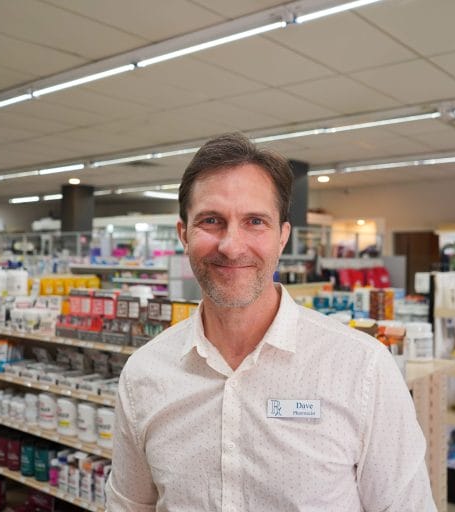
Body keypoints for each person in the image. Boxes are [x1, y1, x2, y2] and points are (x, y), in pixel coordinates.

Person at [106, 132, 436, 511]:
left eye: (255, 221)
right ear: (184, 235)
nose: (231, 246)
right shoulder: (144, 375)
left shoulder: (362, 369)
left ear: (282, 237)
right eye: (211, 220)